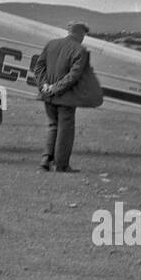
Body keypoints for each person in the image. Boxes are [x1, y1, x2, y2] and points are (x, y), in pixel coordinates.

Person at [32, 21, 101, 172]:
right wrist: (55, 88)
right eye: (84, 35)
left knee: (52, 126)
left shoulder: (51, 44)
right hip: (65, 97)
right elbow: (73, 76)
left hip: (47, 95)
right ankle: (61, 164)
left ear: (69, 31)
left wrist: (45, 86)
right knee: (65, 130)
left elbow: (38, 68)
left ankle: (45, 159)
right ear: (80, 34)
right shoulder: (80, 50)